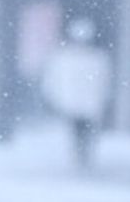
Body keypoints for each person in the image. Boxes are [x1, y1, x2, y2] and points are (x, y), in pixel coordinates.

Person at [41, 18, 112, 168]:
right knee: (80, 130)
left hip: (80, 103)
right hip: (81, 103)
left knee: (80, 130)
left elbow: (104, 82)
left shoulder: (70, 58)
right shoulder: (69, 58)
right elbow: (54, 79)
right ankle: (81, 156)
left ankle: (82, 156)